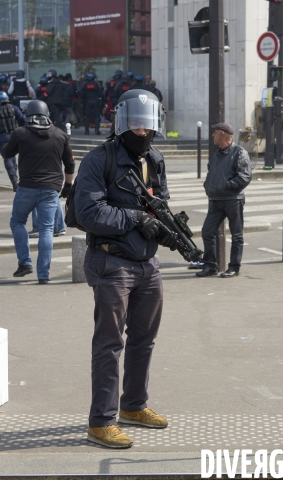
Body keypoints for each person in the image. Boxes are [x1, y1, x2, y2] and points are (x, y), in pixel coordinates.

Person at [73, 89, 176, 449]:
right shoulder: (98, 160)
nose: (142, 132)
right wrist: (135, 218)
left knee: (144, 340)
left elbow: (160, 203)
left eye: (148, 125)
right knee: (109, 344)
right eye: (136, 124)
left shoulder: (155, 159)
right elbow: (88, 213)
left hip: (147, 263)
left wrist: (165, 226)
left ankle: (133, 406)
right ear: (121, 123)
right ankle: (101, 422)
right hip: (111, 261)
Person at [3, 100, 74, 284]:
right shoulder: (60, 135)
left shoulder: (20, 133)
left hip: (26, 187)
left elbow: (6, 153)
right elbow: (70, 163)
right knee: (47, 229)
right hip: (51, 189)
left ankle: (25, 262)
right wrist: (68, 185)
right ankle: (44, 275)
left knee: (17, 222)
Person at [197, 122, 251, 278]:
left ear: (222, 134)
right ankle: (210, 265)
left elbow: (244, 177)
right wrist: (208, 186)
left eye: (215, 132)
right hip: (216, 200)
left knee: (237, 234)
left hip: (232, 199)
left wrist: (224, 186)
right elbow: (211, 173)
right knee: (207, 231)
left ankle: (234, 267)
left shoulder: (239, 153)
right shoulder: (217, 154)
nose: (212, 135)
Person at [0, 92, 25, 191]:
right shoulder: (14, 108)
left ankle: (14, 179)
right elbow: (23, 120)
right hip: (15, 135)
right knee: (13, 158)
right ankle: (16, 179)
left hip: (2, 137)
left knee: (7, 157)